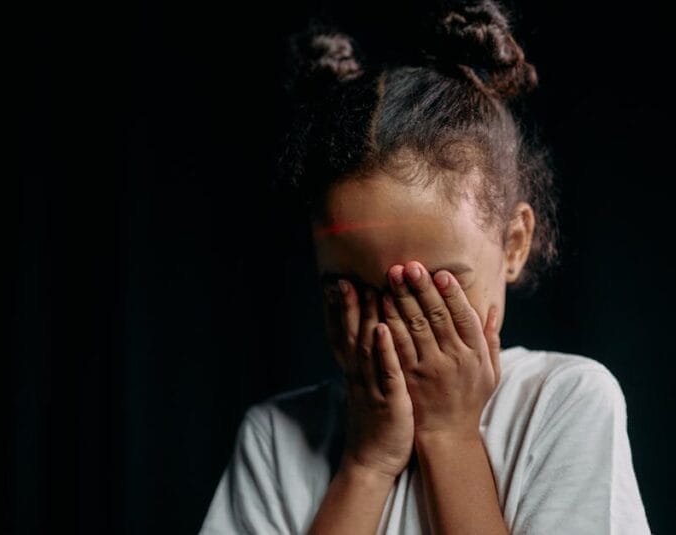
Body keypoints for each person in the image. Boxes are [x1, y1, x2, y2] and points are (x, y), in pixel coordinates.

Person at [200, 1, 651, 533]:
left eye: (429, 287)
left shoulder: (564, 401)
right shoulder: (274, 438)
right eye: (351, 289)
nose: (396, 327)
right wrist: (365, 465)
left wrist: (450, 434)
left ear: (512, 244)